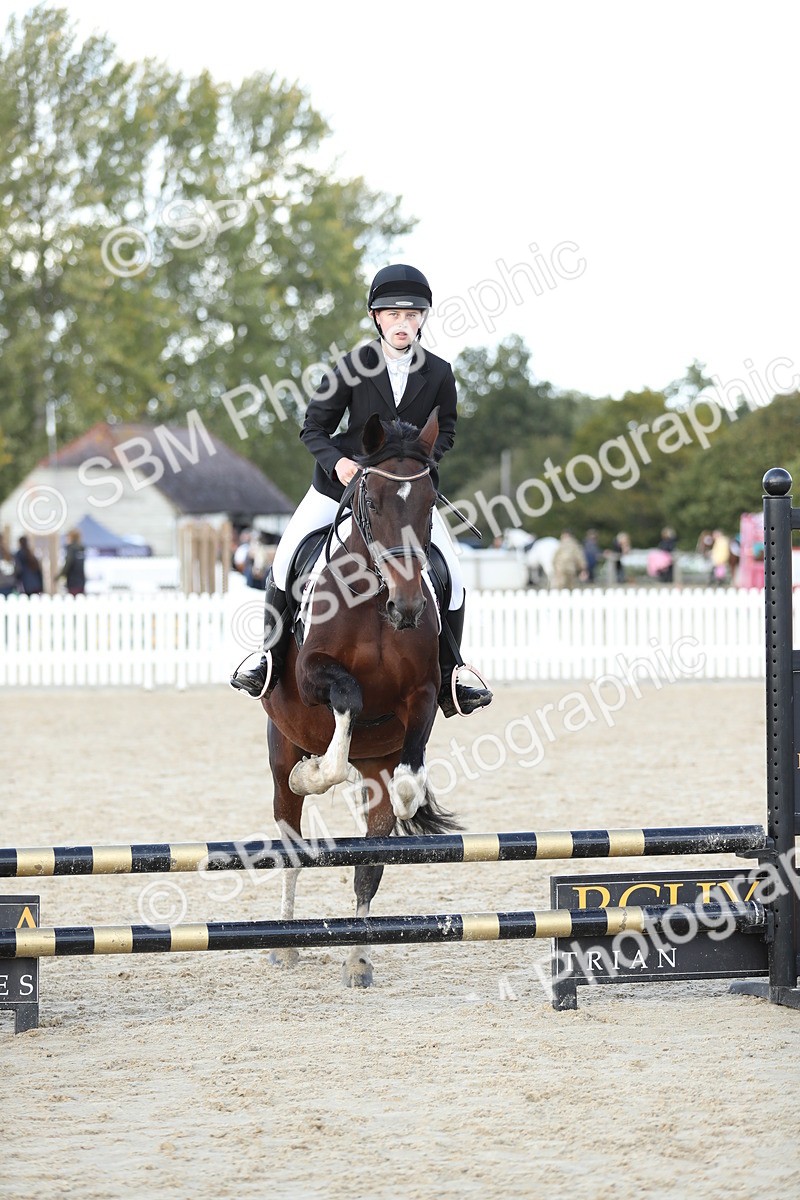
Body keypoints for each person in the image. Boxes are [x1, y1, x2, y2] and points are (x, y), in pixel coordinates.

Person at [230, 263, 493, 718]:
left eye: (412, 315)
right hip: (339, 489)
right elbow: (313, 427)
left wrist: (420, 464)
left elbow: (445, 430)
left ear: (423, 319)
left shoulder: (440, 373)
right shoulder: (352, 367)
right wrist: (340, 462)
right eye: (393, 314)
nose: (402, 323)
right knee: (285, 560)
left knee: (451, 574)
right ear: (376, 318)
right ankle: (268, 660)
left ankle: (452, 673)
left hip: (405, 499)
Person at [57, 529, 86, 595]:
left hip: (73, 582)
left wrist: (59, 576)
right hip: (81, 582)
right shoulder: (81, 549)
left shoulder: (71, 549)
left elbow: (68, 564)